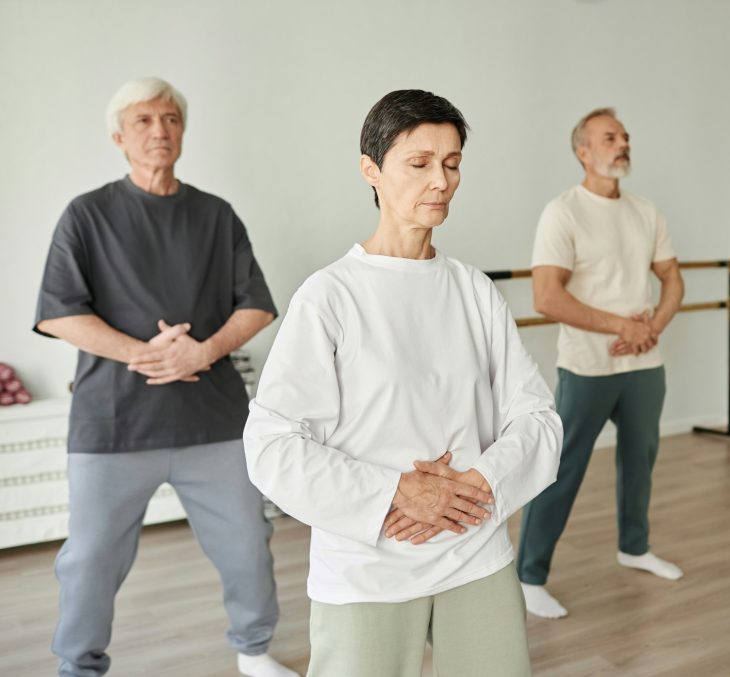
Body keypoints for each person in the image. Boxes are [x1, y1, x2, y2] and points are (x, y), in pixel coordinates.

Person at [243, 89, 562, 677]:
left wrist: (474, 485)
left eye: (452, 162)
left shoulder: (473, 290)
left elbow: (537, 418)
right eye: (419, 163)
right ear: (372, 170)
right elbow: (272, 446)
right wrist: (397, 493)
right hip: (368, 569)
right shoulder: (329, 296)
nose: (439, 180)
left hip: (474, 553)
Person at [34, 77, 298, 677]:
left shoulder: (216, 215)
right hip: (114, 424)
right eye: (144, 121)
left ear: (183, 129)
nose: (160, 131)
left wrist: (201, 354)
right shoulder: (87, 215)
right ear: (119, 137)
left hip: (213, 420)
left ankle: (254, 649)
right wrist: (145, 354)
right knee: (90, 560)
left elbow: (256, 303)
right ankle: (78, 667)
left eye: (171, 119)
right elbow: (58, 313)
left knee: (247, 548)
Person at [516, 107, 686, 619]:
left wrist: (650, 327)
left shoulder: (645, 210)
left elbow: (673, 280)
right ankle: (529, 575)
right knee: (561, 469)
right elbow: (546, 297)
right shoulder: (562, 212)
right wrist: (623, 327)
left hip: (643, 362)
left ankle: (634, 547)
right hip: (587, 366)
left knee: (640, 462)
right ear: (582, 151)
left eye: (626, 136)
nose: (622, 143)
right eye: (610, 137)